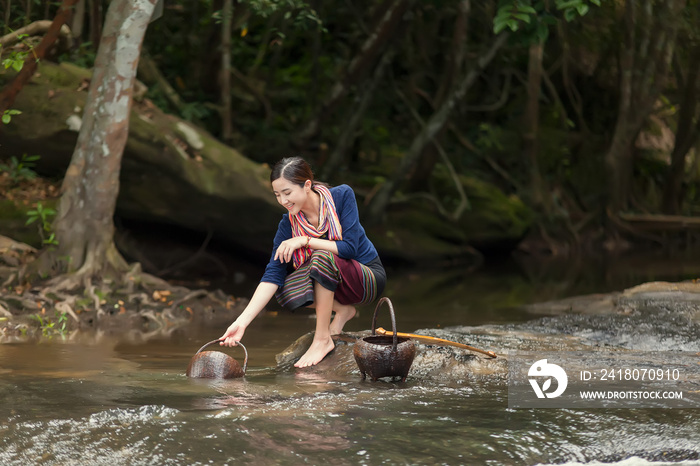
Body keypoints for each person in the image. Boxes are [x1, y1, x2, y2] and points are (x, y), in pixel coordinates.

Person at [219, 156, 386, 368]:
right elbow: (272, 274)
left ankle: (322, 339)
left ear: (307, 185)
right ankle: (343, 310)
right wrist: (241, 323)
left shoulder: (342, 196)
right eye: (277, 195)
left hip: (367, 278)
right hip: (334, 280)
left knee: (321, 256)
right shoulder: (287, 224)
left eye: (287, 193)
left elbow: (349, 248)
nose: (283, 201)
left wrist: (305, 240)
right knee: (284, 289)